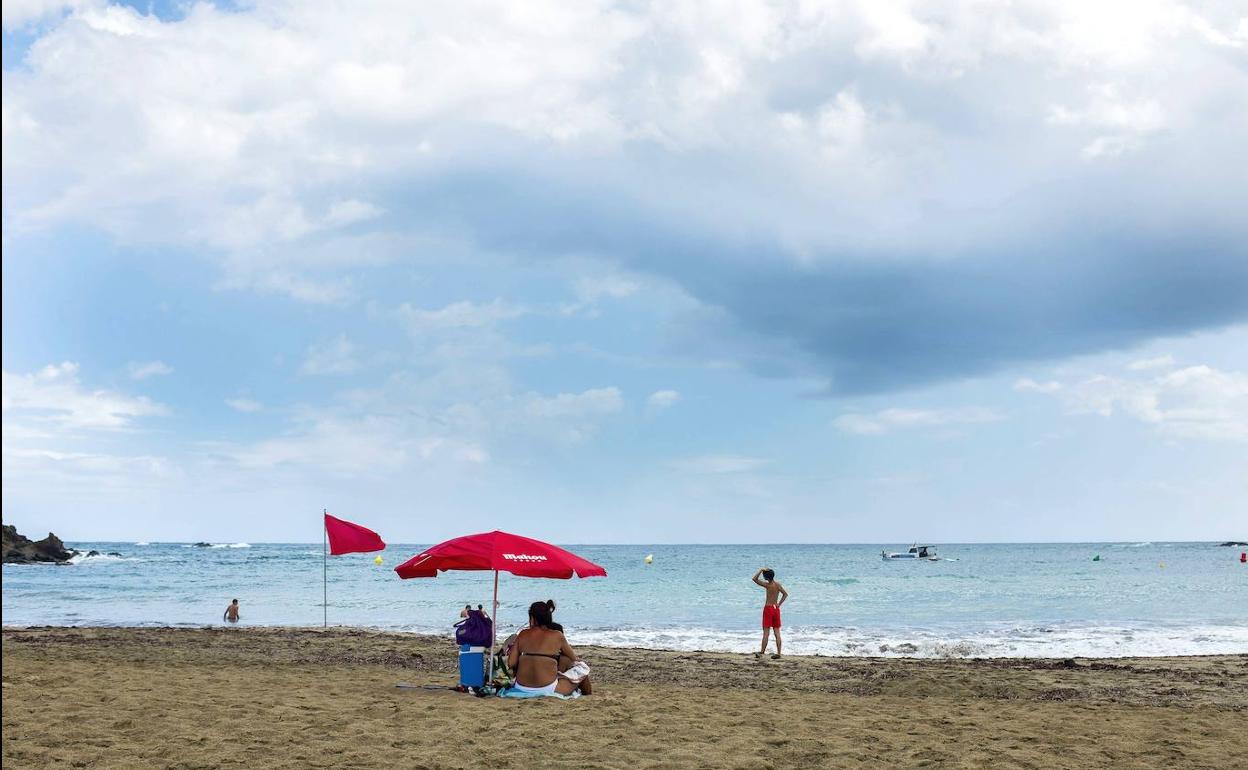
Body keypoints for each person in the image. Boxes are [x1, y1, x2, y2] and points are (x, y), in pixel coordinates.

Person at [506, 600, 590, 696]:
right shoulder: (557, 635)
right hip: (548, 688)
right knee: (582, 669)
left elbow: (511, 663)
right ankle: (588, 696)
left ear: (532, 618)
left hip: (521, 687)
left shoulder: (523, 634)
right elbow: (574, 659)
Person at [752, 567, 788, 658]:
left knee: (766, 632)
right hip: (776, 609)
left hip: (768, 609)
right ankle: (779, 653)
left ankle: (762, 652)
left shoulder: (767, 585)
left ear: (766, 577)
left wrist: (760, 570)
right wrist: (779, 604)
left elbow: (754, 579)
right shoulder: (777, 585)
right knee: (777, 632)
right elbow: (785, 594)